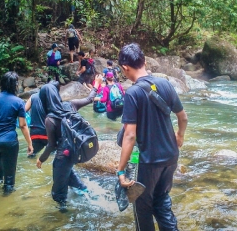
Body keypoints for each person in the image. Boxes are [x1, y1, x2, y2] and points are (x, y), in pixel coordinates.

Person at [117, 43, 188, 231]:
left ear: (125, 68)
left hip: (149, 162)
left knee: (142, 208)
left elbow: (130, 135)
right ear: (145, 61)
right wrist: (179, 136)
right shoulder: (164, 84)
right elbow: (183, 117)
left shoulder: (132, 93)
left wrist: (121, 171)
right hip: (171, 157)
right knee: (162, 201)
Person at [36, 75, 103, 210]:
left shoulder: (50, 119)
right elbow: (90, 99)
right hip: (76, 150)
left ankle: (63, 215)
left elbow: (51, 145)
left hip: (63, 156)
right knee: (68, 173)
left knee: (58, 194)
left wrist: (41, 159)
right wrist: (96, 85)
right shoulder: (70, 105)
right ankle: (89, 194)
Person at [0, 72, 34, 195]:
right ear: (15, 85)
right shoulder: (18, 102)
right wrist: (30, 143)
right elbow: (22, 125)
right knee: (9, 178)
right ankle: (7, 203)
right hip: (9, 142)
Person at [25, 93, 48, 158]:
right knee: (53, 153)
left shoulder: (33, 97)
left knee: (31, 154)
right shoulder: (50, 96)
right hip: (47, 132)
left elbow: (24, 110)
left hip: (34, 132)